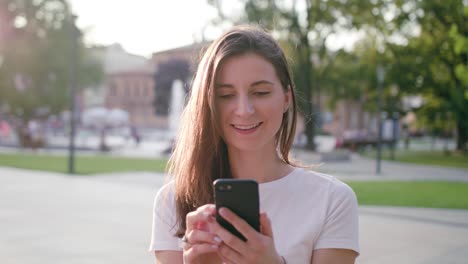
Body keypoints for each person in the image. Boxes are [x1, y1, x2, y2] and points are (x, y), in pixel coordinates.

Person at [150, 25, 359, 263]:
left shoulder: (332, 200)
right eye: (226, 95)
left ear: (286, 98)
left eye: (260, 92)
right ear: (207, 104)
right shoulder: (173, 200)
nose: (244, 110)